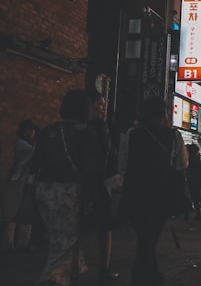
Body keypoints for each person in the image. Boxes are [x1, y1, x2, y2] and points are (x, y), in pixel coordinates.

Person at [28, 90, 100, 286]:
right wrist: (90, 197)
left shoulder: (48, 130)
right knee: (65, 241)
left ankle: (72, 273)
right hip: (68, 191)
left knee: (58, 238)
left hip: (44, 189)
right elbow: (89, 168)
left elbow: (34, 164)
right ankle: (53, 279)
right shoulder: (86, 132)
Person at [121, 96, 188, 286]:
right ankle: (147, 278)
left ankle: (147, 277)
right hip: (161, 194)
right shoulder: (173, 136)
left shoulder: (132, 134)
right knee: (148, 239)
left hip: (134, 193)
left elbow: (122, 166)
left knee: (145, 238)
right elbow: (181, 164)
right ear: (164, 113)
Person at [87, 90, 121, 284]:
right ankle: (103, 267)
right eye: (100, 104)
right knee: (104, 226)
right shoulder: (100, 127)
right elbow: (106, 155)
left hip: (89, 182)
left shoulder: (95, 126)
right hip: (98, 183)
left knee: (100, 226)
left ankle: (98, 267)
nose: (103, 108)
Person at [2, 119, 38, 253]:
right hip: (18, 181)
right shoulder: (21, 144)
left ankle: (23, 243)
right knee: (12, 211)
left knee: (25, 211)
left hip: (27, 182)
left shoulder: (29, 145)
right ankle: (7, 243)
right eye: (28, 130)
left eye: (32, 130)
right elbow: (35, 154)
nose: (30, 132)